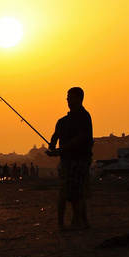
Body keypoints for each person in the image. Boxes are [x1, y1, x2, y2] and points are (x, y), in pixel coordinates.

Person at [48, 87, 93, 230]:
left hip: (80, 158)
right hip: (67, 160)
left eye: (71, 96)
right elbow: (53, 143)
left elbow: (80, 138)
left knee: (77, 191)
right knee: (73, 191)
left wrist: (61, 149)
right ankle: (72, 222)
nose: (68, 99)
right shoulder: (62, 121)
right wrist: (54, 143)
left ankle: (79, 222)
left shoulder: (83, 116)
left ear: (79, 98)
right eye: (67, 97)